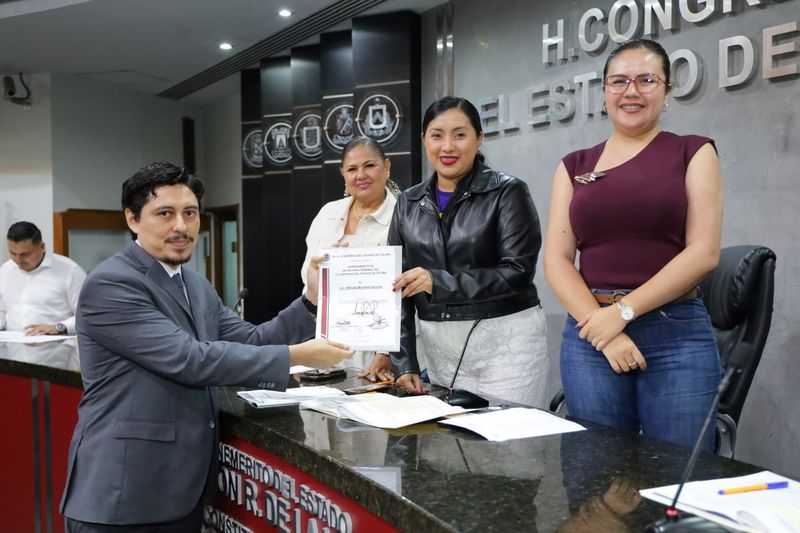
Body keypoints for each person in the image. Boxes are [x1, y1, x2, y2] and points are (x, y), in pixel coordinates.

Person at [60, 162, 352, 531]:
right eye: (164, 213)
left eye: (190, 213)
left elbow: (252, 340)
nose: (180, 226)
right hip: (123, 494)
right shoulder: (112, 283)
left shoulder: (195, 284)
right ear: (133, 220)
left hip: (180, 491)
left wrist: (310, 296)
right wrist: (298, 356)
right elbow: (188, 359)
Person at [543, 39, 723, 451]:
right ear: (604, 91)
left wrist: (622, 313)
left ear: (667, 90)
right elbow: (556, 260)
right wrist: (602, 327)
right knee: (598, 483)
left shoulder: (692, 151)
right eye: (619, 81)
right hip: (591, 337)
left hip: (676, 333)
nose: (632, 91)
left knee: (679, 479)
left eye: (646, 80)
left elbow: (704, 252)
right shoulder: (574, 165)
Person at [389, 96, 548, 407]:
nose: (447, 146)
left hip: (507, 345)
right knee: (449, 450)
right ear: (424, 140)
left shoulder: (507, 192)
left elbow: (517, 272)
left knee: (509, 448)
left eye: (460, 134)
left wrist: (439, 282)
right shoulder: (407, 204)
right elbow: (394, 286)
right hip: (440, 352)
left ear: (479, 139)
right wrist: (404, 361)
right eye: (437, 135)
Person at [301, 136, 400, 382]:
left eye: (369, 166)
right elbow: (308, 280)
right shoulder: (327, 214)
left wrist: (388, 352)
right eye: (352, 169)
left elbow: (415, 294)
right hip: (330, 347)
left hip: (384, 351)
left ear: (386, 167)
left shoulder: (406, 215)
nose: (361, 175)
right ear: (343, 175)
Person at [0, 221, 86, 336]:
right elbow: (2, 312)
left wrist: (61, 327)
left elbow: (88, 315)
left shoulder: (70, 271)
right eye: (13, 253)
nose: (18, 260)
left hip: (56, 351)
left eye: (25, 254)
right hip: (10, 352)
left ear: (42, 247)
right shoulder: (6, 269)